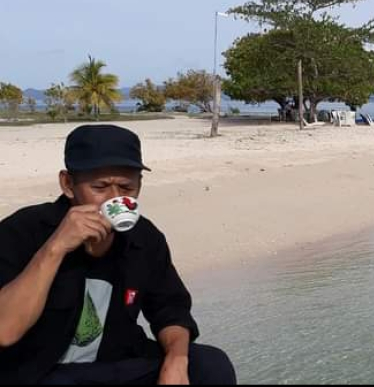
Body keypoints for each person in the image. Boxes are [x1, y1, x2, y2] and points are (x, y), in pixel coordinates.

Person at [0, 125, 236, 385]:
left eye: (126, 187)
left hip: (116, 364)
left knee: (210, 364)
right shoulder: (23, 230)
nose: (115, 199)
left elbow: (170, 311)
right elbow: (5, 331)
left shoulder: (144, 238)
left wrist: (176, 361)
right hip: (38, 371)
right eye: (100, 187)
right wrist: (55, 247)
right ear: (68, 184)